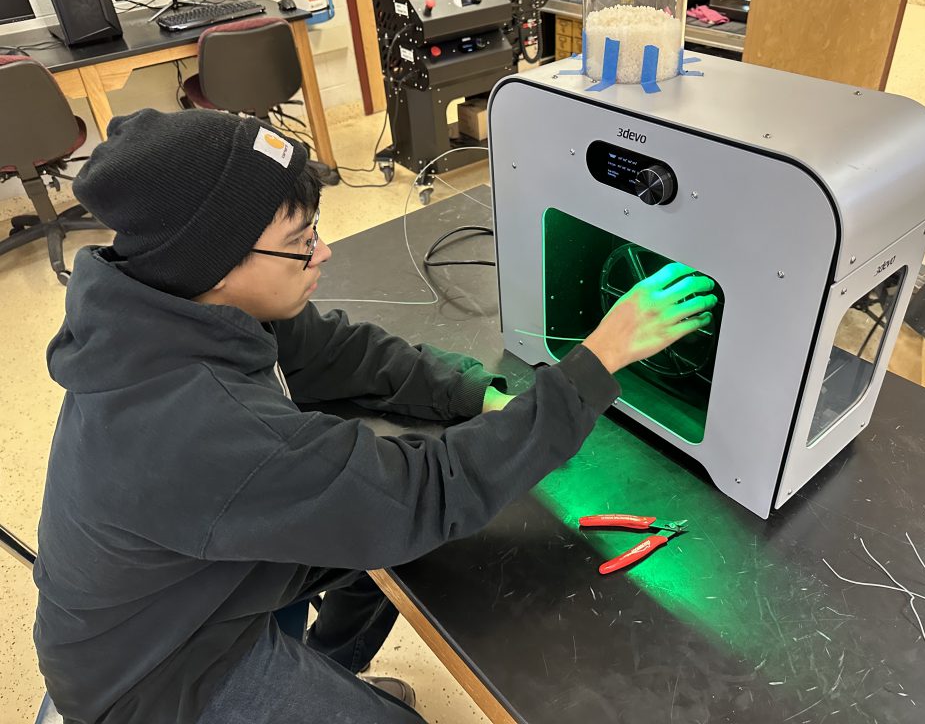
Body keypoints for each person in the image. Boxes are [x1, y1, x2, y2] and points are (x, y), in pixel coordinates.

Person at [33, 109, 717, 724]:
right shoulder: (200, 426)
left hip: (198, 590)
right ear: (214, 262)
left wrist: (475, 392)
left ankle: (328, 670)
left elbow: (340, 352)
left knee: (384, 566)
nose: (322, 253)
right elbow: (419, 496)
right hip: (161, 680)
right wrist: (594, 364)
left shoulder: (175, 311)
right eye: (302, 241)